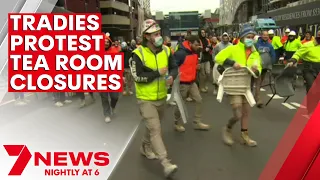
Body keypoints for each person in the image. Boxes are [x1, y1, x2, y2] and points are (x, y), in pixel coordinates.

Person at [129, 19, 178, 178]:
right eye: (155, 34)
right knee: (156, 129)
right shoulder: (137, 54)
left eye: (159, 33)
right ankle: (165, 162)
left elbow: (173, 67)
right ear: (147, 36)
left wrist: (171, 76)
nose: (159, 37)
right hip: (145, 99)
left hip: (162, 97)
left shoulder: (166, 50)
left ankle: (145, 147)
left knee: (151, 127)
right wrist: (158, 72)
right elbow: (137, 77)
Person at [215, 24, 262, 147]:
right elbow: (218, 58)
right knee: (237, 113)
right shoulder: (233, 48)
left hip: (246, 85)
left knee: (246, 112)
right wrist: (232, 62)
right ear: (242, 37)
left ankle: (245, 136)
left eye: (252, 37)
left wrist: (256, 70)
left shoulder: (255, 53)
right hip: (233, 85)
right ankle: (227, 128)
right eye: (248, 36)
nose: (250, 39)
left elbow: (259, 68)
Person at [174, 35, 210, 132]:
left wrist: (196, 68)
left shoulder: (195, 52)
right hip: (182, 83)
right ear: (190, 43)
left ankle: (197, 122)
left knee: (199, 100)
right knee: (181, 104)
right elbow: (173, 67)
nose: (197, 47)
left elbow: (191, 65)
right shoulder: (180, 53)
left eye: (198, 45)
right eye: (195, 45)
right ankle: (177, 122)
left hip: (192, 82)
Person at [287, 30, 320, 115]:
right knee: (312, 88)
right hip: (309, 69)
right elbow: (298, 53)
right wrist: (293, 60)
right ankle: (311, 109)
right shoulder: (307, 45)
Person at [100, 34, 120, 123]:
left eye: (107, 42)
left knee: (115, 96)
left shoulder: (114, 51)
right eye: (104, 42)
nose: (106, 43)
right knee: (104, 98)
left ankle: (112, 106)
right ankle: (107, 114)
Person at [254, 30, 276, 108]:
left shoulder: (270, 45)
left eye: (267, 35)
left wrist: (271, 65)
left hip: (265, 67)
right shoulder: (256, 44)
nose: (266, 36)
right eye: (264, 35)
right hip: (256, 66)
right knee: (257, 81)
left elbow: (273, 55)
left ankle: (255, 96)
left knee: (259, 82)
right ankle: (258, 99)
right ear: (261, 35)